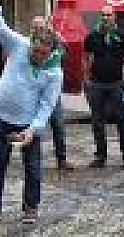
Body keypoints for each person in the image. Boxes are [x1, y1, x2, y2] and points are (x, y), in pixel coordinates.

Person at [0, 0, 62, 226]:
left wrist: (33, 129)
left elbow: (47, 105)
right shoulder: (18, 44)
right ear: (31, 42)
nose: (38, 57)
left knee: (33, 169)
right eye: (36, 52)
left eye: (44, 55)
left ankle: (31, 207)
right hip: (1, 119)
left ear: (51, 52)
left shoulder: (54, 72)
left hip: (27, 125)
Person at [85, 5, 124, 169]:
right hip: (96, 83)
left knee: (121, 119)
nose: (106, 18)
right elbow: (87, 57)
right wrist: (86, 79)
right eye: (103, 15)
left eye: (109, 15)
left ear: (114, 17)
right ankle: (100, 156)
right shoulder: (93, 36)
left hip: (117, 83)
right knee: (97, 121)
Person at [30, 15, 73, 171]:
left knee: (58, 125)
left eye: (41, 27)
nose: (39, 30)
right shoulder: (29, 44)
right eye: (36, 27)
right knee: (33, 126)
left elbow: (65, 49)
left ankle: (61, 159)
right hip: (34, 91)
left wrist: (55, 34)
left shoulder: (54, 42)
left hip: (52, 91)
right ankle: (32, 160)